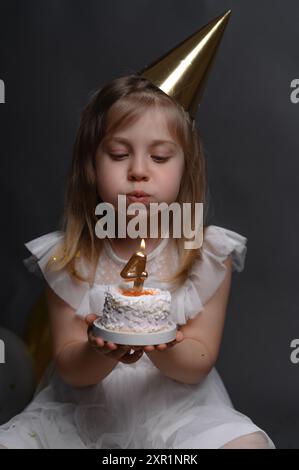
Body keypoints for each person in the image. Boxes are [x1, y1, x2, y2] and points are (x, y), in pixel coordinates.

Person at [0, 12, 276, 449]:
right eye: (119, 154)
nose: (139, 172)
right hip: (82, 412)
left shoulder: (205, 255)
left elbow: (199, 362)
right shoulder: (68, 257)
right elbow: (71, 368)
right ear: (92, 168)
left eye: (160, 157)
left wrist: (159, 340)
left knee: (245, 444)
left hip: (178, 411)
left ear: (185, 171)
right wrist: (99, 350)